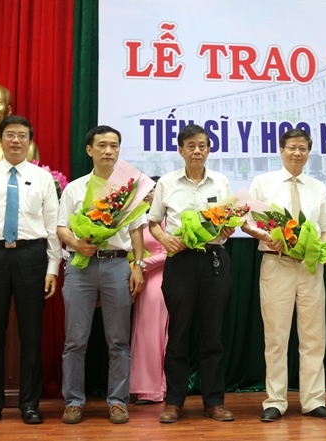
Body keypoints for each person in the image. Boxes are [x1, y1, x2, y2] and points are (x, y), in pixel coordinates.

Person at [0, 115, 61, 426]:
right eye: (10, 135)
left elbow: (53, 226)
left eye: (22, 136)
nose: (16, 140)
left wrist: (53, 267)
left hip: (31, 256)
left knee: (31, 333)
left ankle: (30, 404)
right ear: (1, 139)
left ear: (30, 141)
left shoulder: (43, 178)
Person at [242, 128, 326, 422]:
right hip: (277, 263)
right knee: (276, 335)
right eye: (292, 147)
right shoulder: (263, 182)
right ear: (281, 150)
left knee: (314, 336)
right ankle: (275, 401)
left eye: (303, 148)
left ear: (309, 153)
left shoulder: (317, 187)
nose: (297, 153)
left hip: (310, 267)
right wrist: (265, 235)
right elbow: (246, 222)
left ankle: (313, 400)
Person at [57, 125, 146, 425]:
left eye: (114, 145)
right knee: (75, 340)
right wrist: (77, 244)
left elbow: (137, 231)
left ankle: (118, 402)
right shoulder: (75, 188)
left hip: (117, 265)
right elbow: (61, 227)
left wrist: (138, 266)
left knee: (118, 340)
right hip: (80, 266)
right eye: (102, 145)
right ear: (89, 150)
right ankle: (73, 402)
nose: (109, 151)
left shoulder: (128, 189)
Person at [148, 124, 235, 424]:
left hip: (214, 260)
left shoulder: (221, 182)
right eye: (191, 146)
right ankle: (174, 402)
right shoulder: (167, 183)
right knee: (179, 333)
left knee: (213, 335)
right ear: (180, 150)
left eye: (202, 145)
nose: (197, 151)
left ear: (209, 149)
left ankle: (214, 402)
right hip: (180, 261)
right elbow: (153, 222)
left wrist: (229, 227)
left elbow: (230, 220)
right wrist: (165, 239)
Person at [129, 176, 169, 404]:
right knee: (142, 332)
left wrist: (140, 264)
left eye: (151, 191)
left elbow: (168, 253)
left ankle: (153, 389)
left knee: (152, 333)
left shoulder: (165, 220)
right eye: (143, 191)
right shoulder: (139, 218)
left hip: (159, 279)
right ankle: (148, 386)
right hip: (143, 279)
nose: (147, 195)